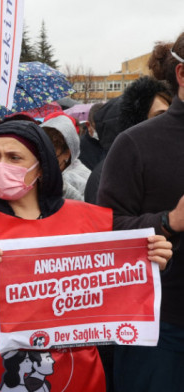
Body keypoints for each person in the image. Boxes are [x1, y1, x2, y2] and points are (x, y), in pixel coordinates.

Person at [0, 120, 172, 392]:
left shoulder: (87, 221)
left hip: (74, 369)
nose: (1, 166)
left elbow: (117, 283)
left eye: (14, 158)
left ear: (41, 166)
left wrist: (151, 262)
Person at [97, 32, 184, 391]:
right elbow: (103, 231)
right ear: (181, 76)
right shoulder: (135, 143)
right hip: (160, 331)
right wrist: (168, 222)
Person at [84, 76, 172, 204]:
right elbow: (111, 221)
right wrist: (167, 220)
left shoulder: (167, 163)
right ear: (138, 122)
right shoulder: (109, 174)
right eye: (160, 116)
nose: (169, 122)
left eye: (170, 115)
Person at [40, 113, 91, 201]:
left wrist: (62, 187)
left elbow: (87, 207)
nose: (44, 161)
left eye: (52, 156)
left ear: (67, 153)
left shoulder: (82, 177)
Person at [78, 103, 106, 171]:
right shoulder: (79, 147)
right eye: (97, 128)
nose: (101, 132)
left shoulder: (112, 142)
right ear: (88, 125)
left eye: (103, 127)